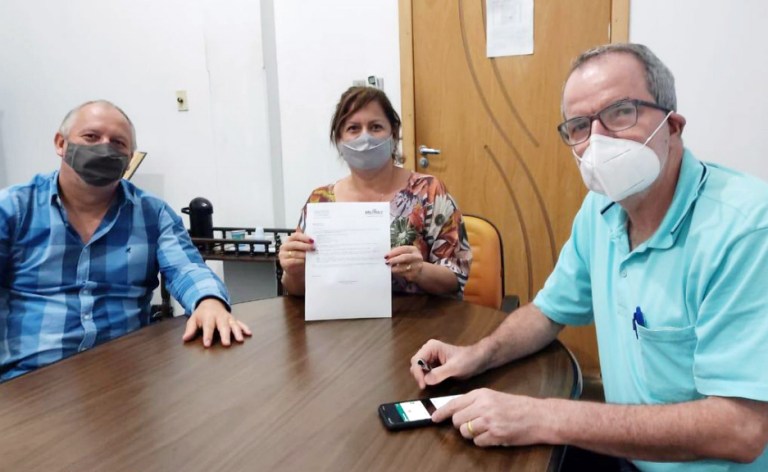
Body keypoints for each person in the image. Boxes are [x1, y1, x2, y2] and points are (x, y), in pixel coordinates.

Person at [410, 43, 768, 470]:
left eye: (621, 112)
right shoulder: (600, 210)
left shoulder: (745, 229)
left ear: (672, 126)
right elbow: (547, 312)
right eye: (579, 126)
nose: (597, 140)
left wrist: (543, 416)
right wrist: (478, 354)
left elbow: (741, 429)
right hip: (626, 451)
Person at [0, 100, 252, 382]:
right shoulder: (12, 208)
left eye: (118, 143)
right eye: (91, 137)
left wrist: (209, 301)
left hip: (125, 378)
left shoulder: (153, 213)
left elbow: (186, 268)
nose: (104, 148)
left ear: (129, 158)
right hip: (29, 380)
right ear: (61, 143)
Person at [279, 86, 472, 297]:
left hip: (416, 316)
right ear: (339, 140)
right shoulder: (320, 201)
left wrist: (420, 271)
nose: (365, 138)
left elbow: (457, 277)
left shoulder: (429, 192)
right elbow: (297, 290)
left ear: (394, 134)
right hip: (340, 315)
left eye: (376, 127)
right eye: (353, 128)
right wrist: (293, 271)